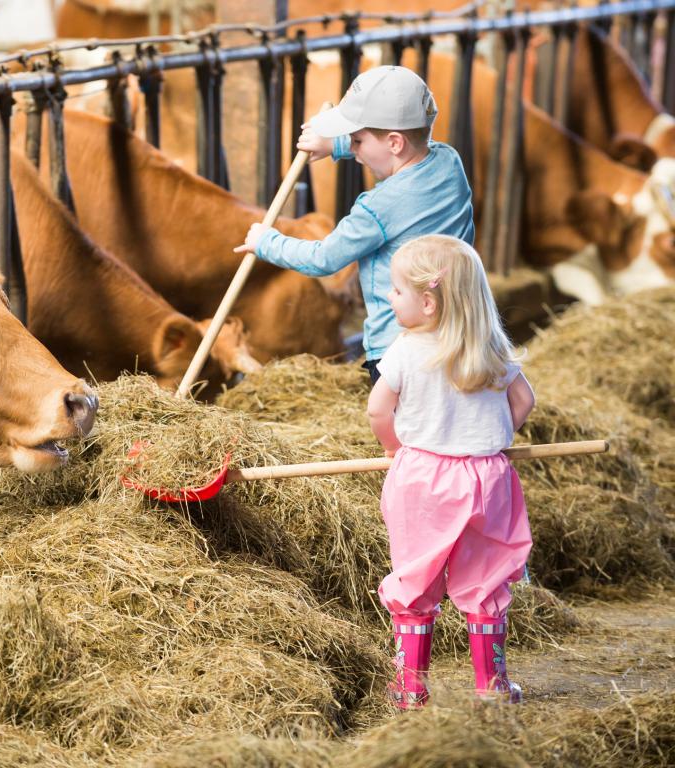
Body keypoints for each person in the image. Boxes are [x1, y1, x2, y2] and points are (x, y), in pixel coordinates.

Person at [366, 234, 535, 709]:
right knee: (485, 579)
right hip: (488, 478)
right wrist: (491, 436)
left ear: (427, 302)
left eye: (396, 291)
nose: (390, 298)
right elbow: (524, 401)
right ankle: (493, 687)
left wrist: (396, 449)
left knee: (416, 576)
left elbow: (378, 410)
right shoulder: (493, 348)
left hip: (422, 479)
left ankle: (410, 687)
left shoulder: (404, 349)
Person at [235, 65, 474, 383]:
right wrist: (335, 146)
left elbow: (324, 259)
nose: (356, 150)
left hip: (398, 344)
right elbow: (393, 146)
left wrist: (267, 242)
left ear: (394, 143)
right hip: (458, 331)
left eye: (357, 140)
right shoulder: (449, 162)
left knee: (399, 428)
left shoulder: (377, 209)